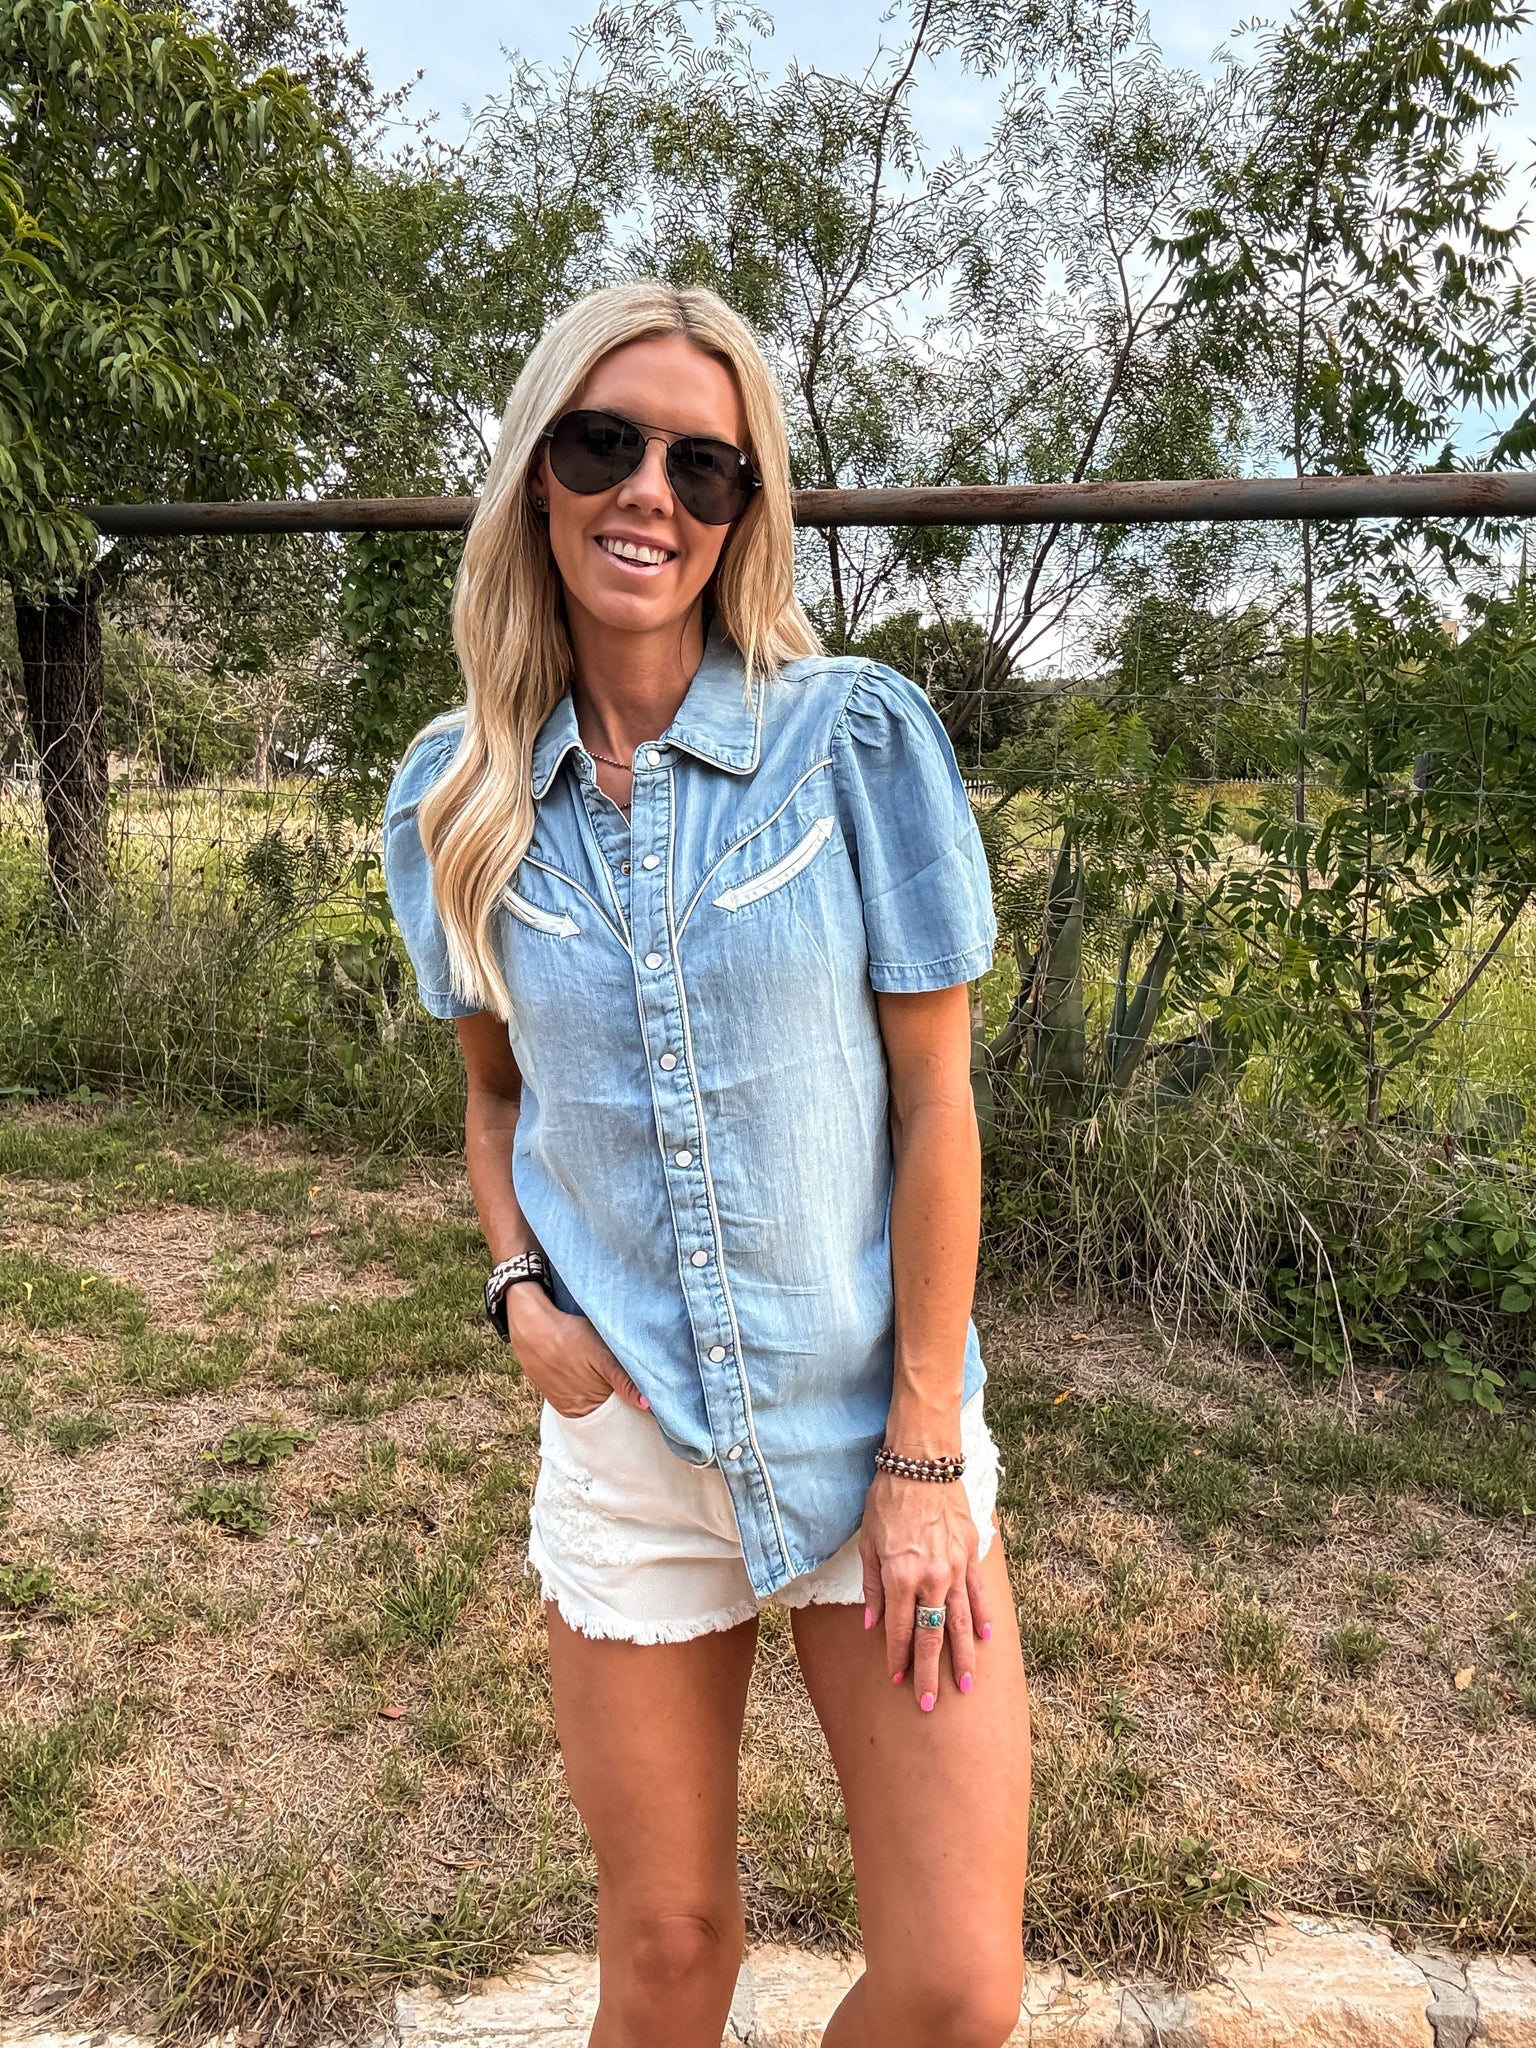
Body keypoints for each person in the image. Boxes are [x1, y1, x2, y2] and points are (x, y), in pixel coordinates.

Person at [383, 279, 1030, 2048]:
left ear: (747, 507)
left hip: (871, 1435)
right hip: (631, 1452)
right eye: (605, 444)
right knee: (667, 1959)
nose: (648, 494)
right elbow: (494, 1100)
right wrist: (516, 1289)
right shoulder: (456, 795)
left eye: (703, 464)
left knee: (957, 1988)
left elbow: (939, 1107)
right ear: (538, 474)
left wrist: (923, 1453)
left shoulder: (856, 740)